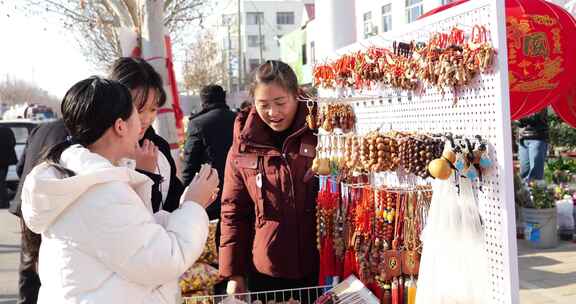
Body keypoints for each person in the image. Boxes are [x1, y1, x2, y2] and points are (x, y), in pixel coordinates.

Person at [20, 76, 219, 303]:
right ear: (120, 126)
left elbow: (136, 236)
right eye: (137, 112)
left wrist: (186, 206)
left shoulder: (82, 179)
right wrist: (194, 206)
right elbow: (163, 259)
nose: (145, 122)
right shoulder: (101, 193)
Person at [219, 60, 319, 298]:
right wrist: (234, 273)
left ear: (297, 95)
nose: (273, 113)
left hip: (320, 265)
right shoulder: (243, 144)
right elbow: (233, 211)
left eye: (280, 103)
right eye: (263, 105)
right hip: (267, 271)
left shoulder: (321, 131)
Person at [109, 57, 184, 212]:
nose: (146, 119)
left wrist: (193, 201)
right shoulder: (103, 151)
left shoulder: (160, 146)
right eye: (139, 109)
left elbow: (171, 200)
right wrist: (144, 174)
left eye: (153, 109)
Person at [10, 119, 68, 304]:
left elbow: (20, 168)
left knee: (28, 263)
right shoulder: (78, 133)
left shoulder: (40, 129)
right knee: (52, 266)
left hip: (29, 203)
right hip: (54, 206)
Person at [183, 84, 236, 221]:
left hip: (211, 192)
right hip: (238, 189)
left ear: (203, 101)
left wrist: (186, 194)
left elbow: (190, 162)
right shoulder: (238, 119)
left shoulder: (197, 124)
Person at [518, 108, 549, 181]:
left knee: (535, 172)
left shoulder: (540, 98)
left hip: (537, 136)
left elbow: (535, 117)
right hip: (523, 137)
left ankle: (536, 190)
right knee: (524, 171)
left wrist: (517, 118)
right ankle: (526, 190)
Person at [0, 125, 17, 208]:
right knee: (2, 181)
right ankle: (4, 203)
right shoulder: (7, 130)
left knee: (1, 183)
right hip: (6, 161)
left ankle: (3, 203)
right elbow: (13, 142)